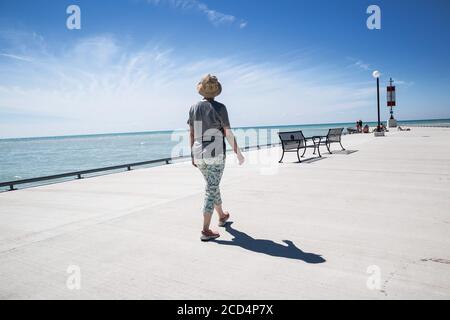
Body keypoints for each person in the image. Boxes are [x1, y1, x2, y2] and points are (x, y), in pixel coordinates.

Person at [188, 74, 245, 242]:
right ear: (216, 91)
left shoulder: (194, 108)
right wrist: (238, 152)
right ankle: (205, 230)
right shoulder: (220, 108)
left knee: (212, 185)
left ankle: (221, 216)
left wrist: (192, 154)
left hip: (198, 152)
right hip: (215, 154)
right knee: (211, 189)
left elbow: (192, 132)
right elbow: (227, 132)